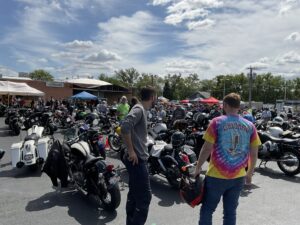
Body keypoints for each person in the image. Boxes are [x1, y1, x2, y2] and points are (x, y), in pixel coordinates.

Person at [194, 93, 261, 225]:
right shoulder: (249, 125)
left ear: (224, 105)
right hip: (238, 176)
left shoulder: (216, 122)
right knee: (230, 213)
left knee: (207, 210)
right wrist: (250, 173)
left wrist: (197, 168)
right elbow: (254, 152)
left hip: (216, 176)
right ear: (238, 106)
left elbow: (207, 148)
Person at [121, 87, 156, 225]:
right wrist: (131, 151)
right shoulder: (139, 109)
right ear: (152, 97)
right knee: (144, 198)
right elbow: (125, 127)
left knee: (134, 195)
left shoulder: (141, 109)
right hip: (137, 161)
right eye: (156, 97)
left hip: (137, 159)